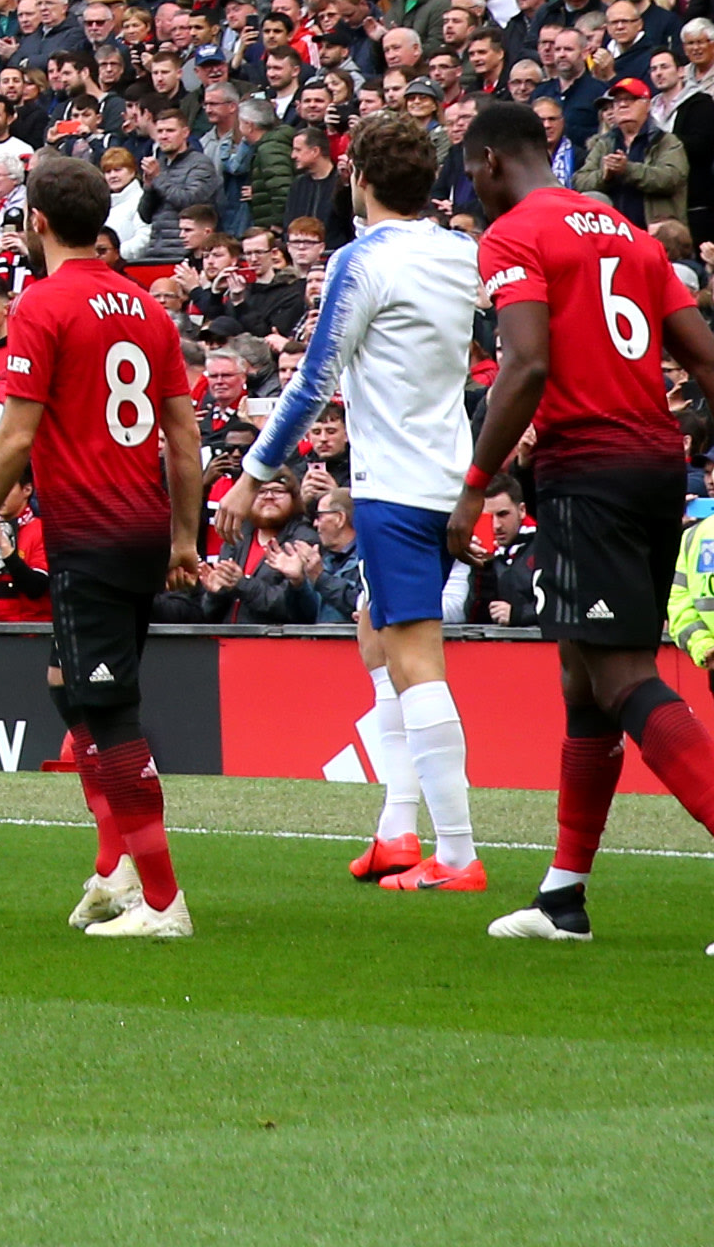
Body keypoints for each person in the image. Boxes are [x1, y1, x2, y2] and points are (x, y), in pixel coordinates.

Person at [447, 104, 714, 953]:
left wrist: (472, 486)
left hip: (589, 473)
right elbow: (711, 362)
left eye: (470, 171)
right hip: (653, 466)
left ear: (491, 161)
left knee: (618, 679)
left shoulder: (513, 235)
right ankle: (564, 896)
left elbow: (528, 364)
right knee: (584, 683)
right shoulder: (626, 230)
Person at [0, 154, 204, 939]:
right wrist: (185, 537)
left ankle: (162, 901)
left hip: (89, 531)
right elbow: (184, 435)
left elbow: (17, 433)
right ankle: (112, 866)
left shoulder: (44, 304)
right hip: (141, 526)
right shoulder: (146, 309)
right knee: (71, 684)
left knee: (110, 709)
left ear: (36, 222)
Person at [242, 106, 482, 889]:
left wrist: (254, 472)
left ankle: (457, 854)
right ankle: (396, 830)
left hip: (399, 486)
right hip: (448, 476)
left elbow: (315, 380)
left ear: (359, 179)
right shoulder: (461, 254)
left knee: (417, 659)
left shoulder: (362, 258)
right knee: (374, 632)